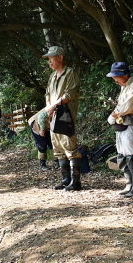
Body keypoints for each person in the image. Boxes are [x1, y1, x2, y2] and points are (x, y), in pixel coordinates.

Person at [42, 46, 82, 191]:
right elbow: (47, 93)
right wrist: (48, 106)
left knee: (70, 147)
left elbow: (70, 94)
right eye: (48, 59)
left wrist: (53, 105)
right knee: (57, 147)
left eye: (51, 58)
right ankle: (65, 180)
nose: (49, 62)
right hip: (53, 115)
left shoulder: (70, 72)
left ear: (60, 58)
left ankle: (76, 182)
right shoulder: (52, 77)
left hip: (66, 115)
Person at [106, 62, 133, 197]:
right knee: (122, 154)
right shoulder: (125, 87)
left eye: (116, 77)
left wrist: (113, 115)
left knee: (131, 154)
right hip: (122, 123)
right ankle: (129, 185)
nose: (115, 80)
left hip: (132, 122)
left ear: (125, 75)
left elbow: (127, 107)